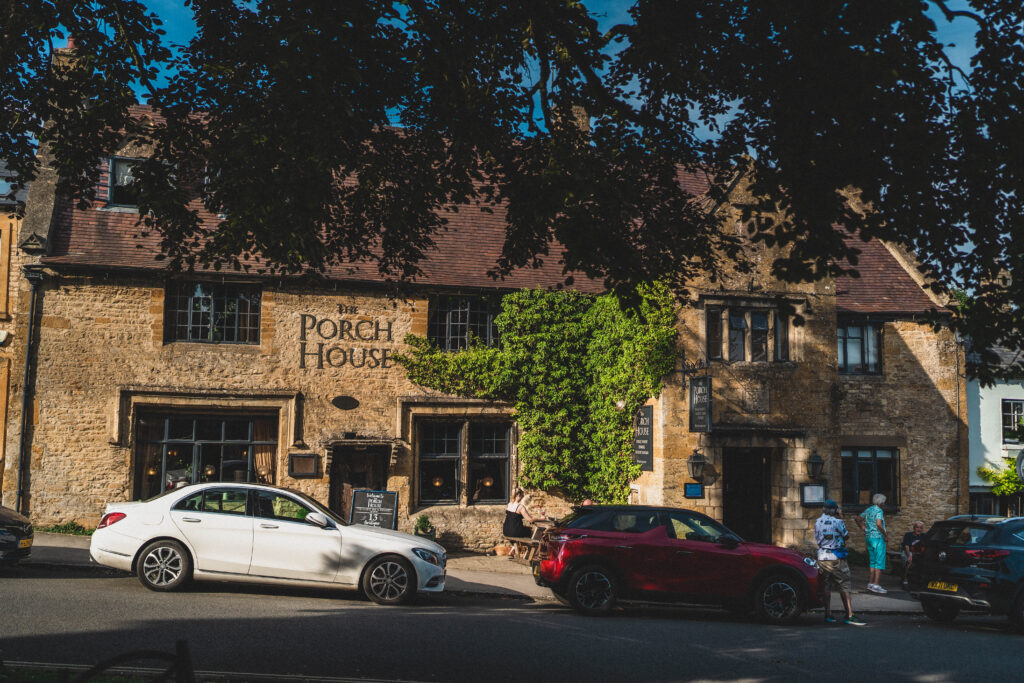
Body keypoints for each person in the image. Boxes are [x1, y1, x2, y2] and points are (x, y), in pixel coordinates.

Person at [814, 499, 866, 626]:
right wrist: (841, 517)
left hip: (822, 556)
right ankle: (849, 615)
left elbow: (817, 538)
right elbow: (846, 536)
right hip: (836, 557)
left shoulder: (817, 521)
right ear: (835, 510)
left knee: (826, 586)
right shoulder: (838, 522)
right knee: (844, 585)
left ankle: (828, 614)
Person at [855, 493, 889, 594]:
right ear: (881, 502)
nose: (884, 504)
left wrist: (863, 528)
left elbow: (858, 519)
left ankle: (870, 584)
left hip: (869, 538)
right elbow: (879, 524)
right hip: (878, 538)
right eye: (884, 502)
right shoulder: (879, 510)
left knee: (872, 561)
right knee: (879, 561)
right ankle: (876, 585)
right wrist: (885, 535)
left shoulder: (869, 509)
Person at [901, 520, 926, 588]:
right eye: (917, 527)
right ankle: (905, 580)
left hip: (917, 553)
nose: (919, 529)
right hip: (908, 551)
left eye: (921, 528)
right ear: (914, 528)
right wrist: (909, 556)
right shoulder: (908, 535)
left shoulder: (924, 536)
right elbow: (906, 546)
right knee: (910, 561)